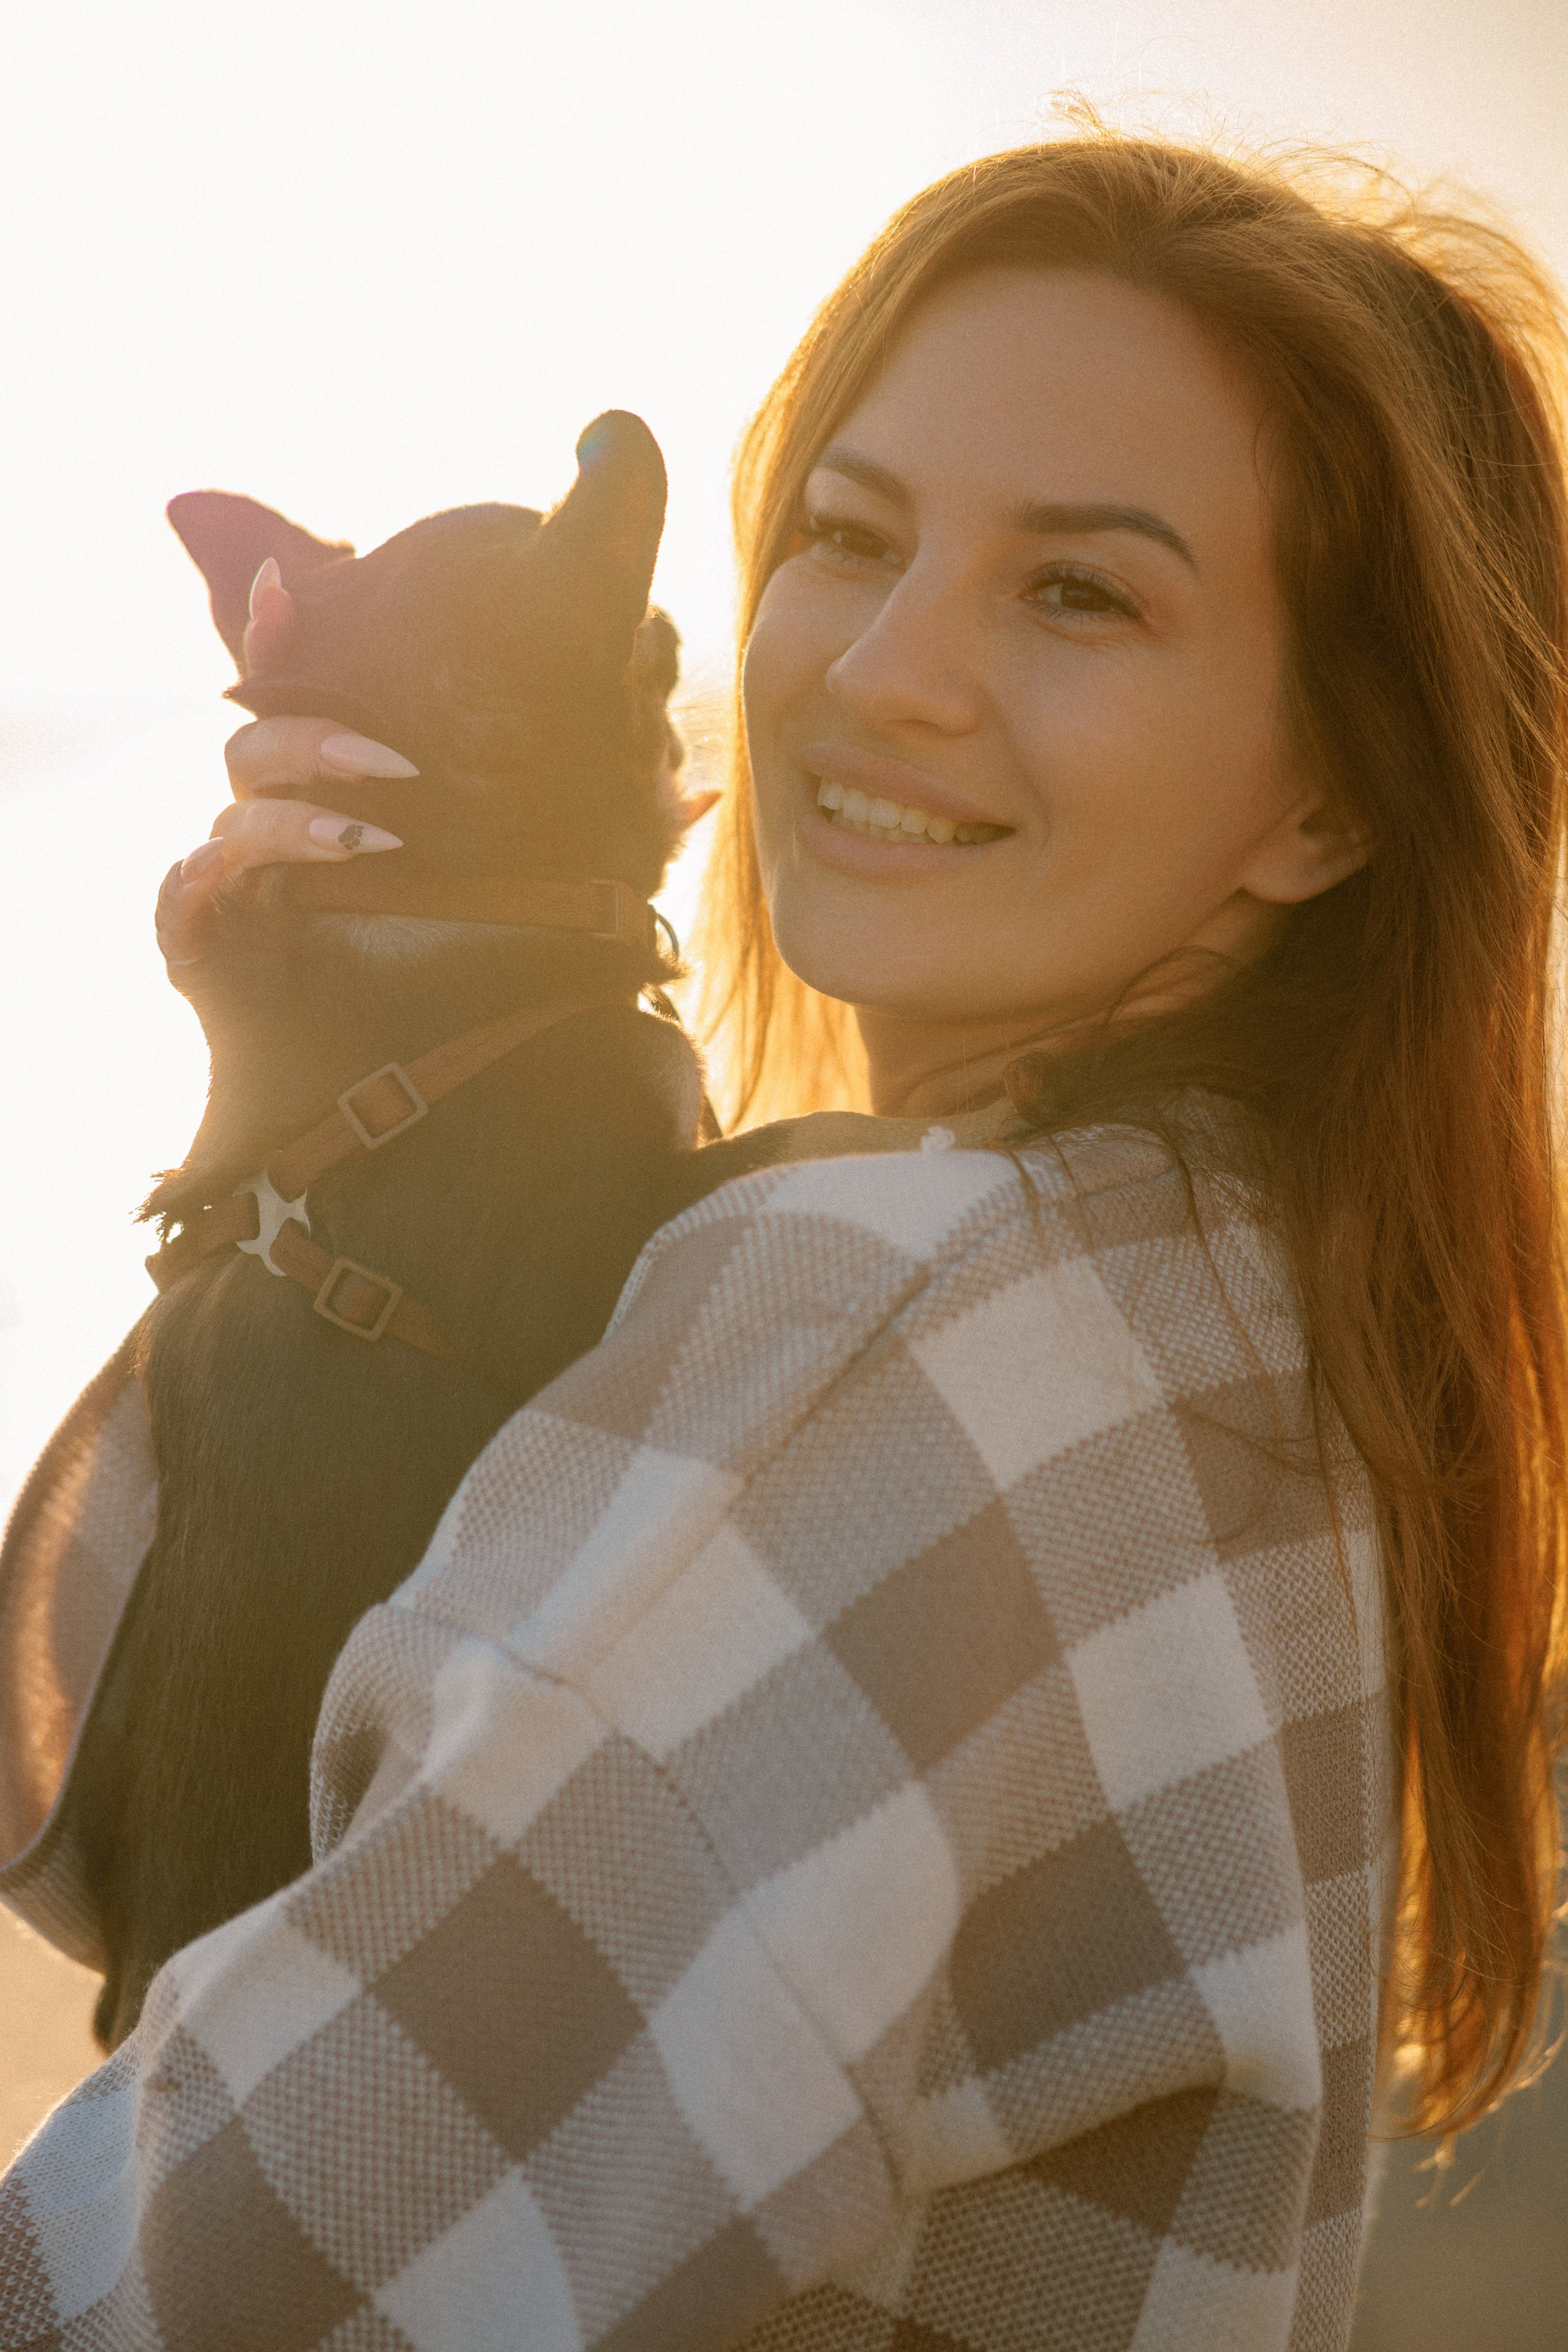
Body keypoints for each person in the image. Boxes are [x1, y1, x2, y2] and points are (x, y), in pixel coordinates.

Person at [1, 128, 1565, 2352]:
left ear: (1335, 792)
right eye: (852, 535)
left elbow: (204, 2278)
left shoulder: (892, 1329)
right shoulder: (1256, 1328)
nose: (882, 672)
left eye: (1081, 591)